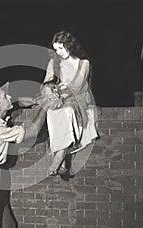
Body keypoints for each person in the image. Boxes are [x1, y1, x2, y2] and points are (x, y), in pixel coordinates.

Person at [0, 82, 59, 228]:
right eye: (4, 97)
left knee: (8, 226)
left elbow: (17, 102)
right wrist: (45, 106)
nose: (9, 96)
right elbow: (31, 132)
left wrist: (38, 101)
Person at [41, 30, 98, 178]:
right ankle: (63, 159)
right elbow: (46, 83)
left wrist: (60, 90)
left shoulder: (83, 63)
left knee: (68, 112)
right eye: (56, 49)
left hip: (76, 99)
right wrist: (49, 91)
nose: (58, 52)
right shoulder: (54, 63)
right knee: (52, 113)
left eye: (61, 48)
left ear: (69, 45)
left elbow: (77, 86)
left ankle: (58, 158)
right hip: (58, 98)